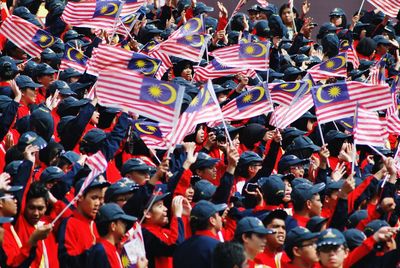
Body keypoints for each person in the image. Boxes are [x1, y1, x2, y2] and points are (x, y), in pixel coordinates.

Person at [57, 177, 110, 267]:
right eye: (94, 198)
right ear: (80, 197)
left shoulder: (97, 223)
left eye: (100, 198)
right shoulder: (69, 223)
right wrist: (92, 252)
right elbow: (66, 260)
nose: (98, 203)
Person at [173, 200, 226, 268]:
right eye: (218, 215)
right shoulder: (218, 247)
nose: (220, 218)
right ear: (212, 220)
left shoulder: (181, 247)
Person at [87, 203, 138, 267]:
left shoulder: (110, 249)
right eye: (123, 222)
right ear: (113, 226)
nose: (125, 226)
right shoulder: (101, 250)